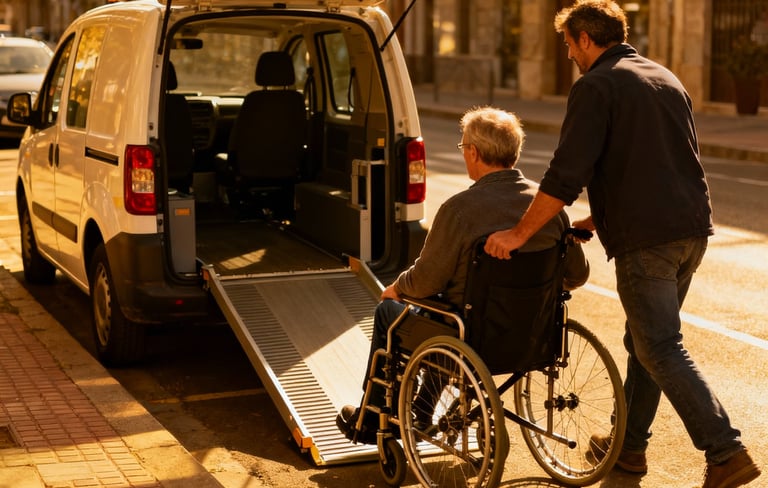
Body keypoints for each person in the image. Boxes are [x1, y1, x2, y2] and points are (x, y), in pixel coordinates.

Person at [483, 2, 761, 487]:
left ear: (587, 39)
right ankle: (628, 449)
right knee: (645, 344)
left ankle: (726, 451)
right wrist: (598, 218)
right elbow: (659, 165)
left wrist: (519, 233)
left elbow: (566, 174)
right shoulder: (664, 78)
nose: (568, 54)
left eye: (569, 44)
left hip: (648, 241)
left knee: (658, 346)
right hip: (691, 231)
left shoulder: (595, 86)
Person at [336, 106, 590, 443]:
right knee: (445, 309)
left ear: (474, 153)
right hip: (532, 337)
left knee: (393, 311)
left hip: (468, 336)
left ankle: (373, 418)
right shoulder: (547, 209)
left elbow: (426, 282)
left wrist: (397, 288)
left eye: (463, 148)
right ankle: (424, 411)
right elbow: (577, 275)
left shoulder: (459, 210)